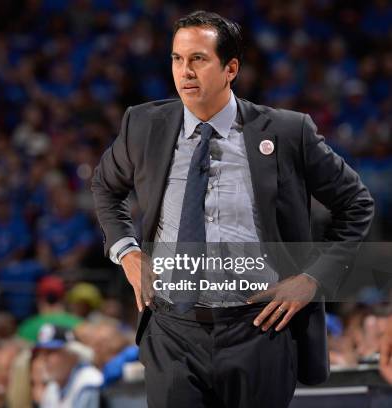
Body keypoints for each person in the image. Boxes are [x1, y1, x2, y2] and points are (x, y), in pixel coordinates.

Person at [91, 10, 374, 408]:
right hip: (173, 331)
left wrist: (313, 279)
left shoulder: (288, 132)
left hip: (258, 330)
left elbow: (356, 204)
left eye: (198, 59)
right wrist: (128, 252)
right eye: (177, 59)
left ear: (231, 68)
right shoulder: (143, 125)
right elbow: (105, 186)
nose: (184, 71)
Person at [35, 324, 102, 408]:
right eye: (41, 353)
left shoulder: (88, 383)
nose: (44, 359)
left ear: (73, 354)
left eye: (50, 352)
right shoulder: (52, 388)